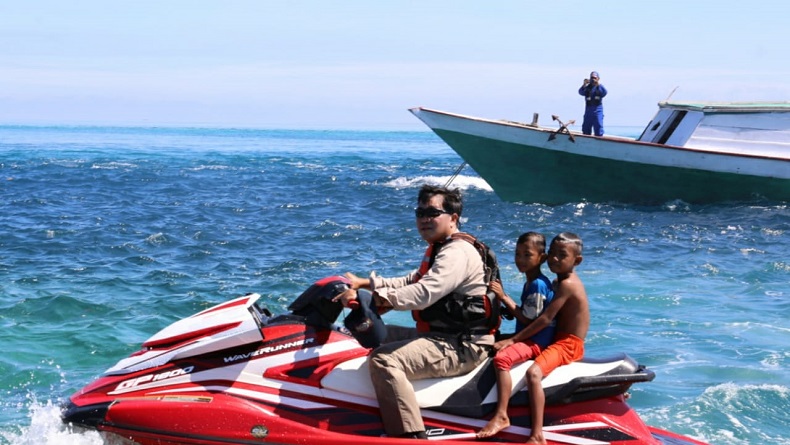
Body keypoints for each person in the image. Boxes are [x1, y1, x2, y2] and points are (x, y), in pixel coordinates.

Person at [334, 184, 499, 439]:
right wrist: (364, 284)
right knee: (361, 336)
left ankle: (408, 435)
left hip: (461, 345)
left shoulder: (457, 252)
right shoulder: (442, 247)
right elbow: (411, 281)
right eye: (420, 213)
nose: (424, 219)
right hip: (441, 336)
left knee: (384, 359)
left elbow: (424, 293)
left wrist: (376, 300)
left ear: (453, 218)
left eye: (433, 213)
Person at [486, 232, 588, 444]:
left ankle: (536, 434)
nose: (554, 259)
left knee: (533, 374)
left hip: (567, 344)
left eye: (562, 255)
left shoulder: (567, 284)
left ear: (577, 260)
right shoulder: (556, 282)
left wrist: (513, 340)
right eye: (552, 253)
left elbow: (544, 319)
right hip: (556, 338)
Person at [477, 232, 555, 438]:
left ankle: (502, 414)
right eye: (517, 254)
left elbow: (529, 320)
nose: (520, 259)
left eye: (527, 255)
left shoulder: (538, 284)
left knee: (502, 359)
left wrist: (504, 297)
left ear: (542, 258)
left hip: (536, 341)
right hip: (528, 335)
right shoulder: (532, 281)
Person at [578, 71, 607, 136]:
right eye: (592, 78)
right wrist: (584, 84)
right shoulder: (587, 88)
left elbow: (605, 93)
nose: (593, 80)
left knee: (598, 127)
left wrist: (598, 84)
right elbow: (580, 92)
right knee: (586, 128)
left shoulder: (600, 87)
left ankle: (599, 139)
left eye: (595, 78)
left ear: (598, 78)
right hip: (588, 111)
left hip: (597, 111)